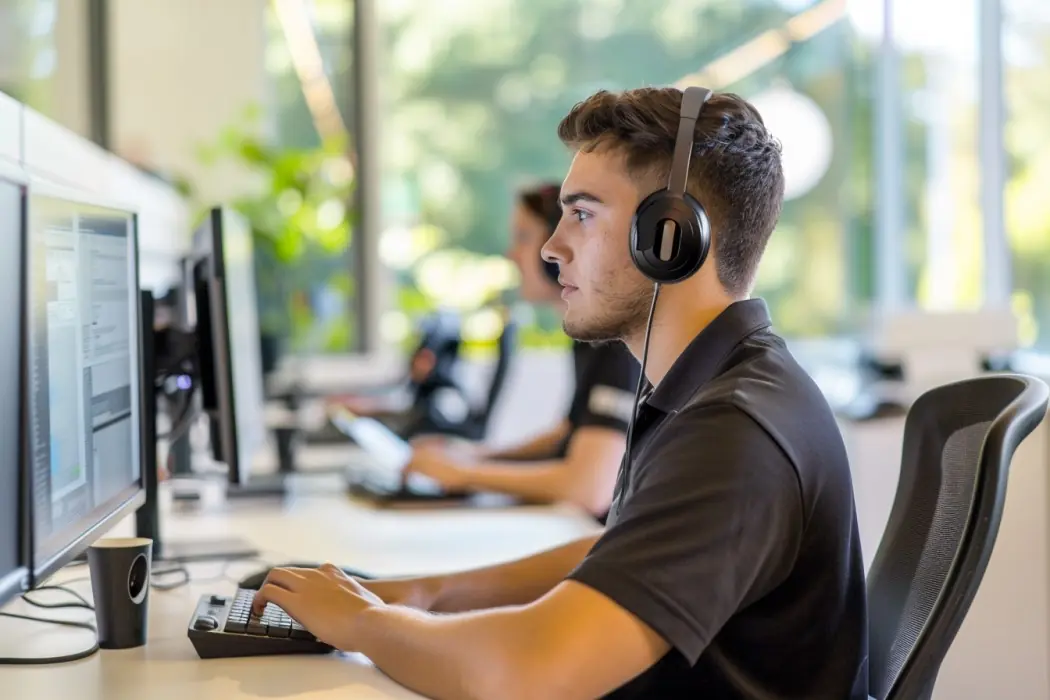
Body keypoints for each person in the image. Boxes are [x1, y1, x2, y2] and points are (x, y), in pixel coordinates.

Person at [252, 86, 869, 699]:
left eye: (582, 214)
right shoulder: (712, 387)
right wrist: (424, 593)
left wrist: (363, 624)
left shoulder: (735, 430)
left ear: (668, 237)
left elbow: (524, 673)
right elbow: (621, 551)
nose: (551, 247)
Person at [405, 182, 641, 517]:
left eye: (523, 238)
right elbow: (570, 431)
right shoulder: (588, 336)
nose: (511, 254)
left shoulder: (617, 342)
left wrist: (466, 474)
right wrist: (476, 456)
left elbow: (589, 489)